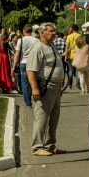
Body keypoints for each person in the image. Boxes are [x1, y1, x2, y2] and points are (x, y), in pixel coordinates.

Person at [27, 23, 65, 157]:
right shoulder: (37, 48)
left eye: (55, 31)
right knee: (42, 117)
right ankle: (37, 147)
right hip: (45, 87)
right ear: (42, 33)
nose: (54, 33)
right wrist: (35, 88)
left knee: (54, 117)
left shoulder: (51, 45)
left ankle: (50, 145)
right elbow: (31, 70)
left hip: (56, 87)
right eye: (51, 31)